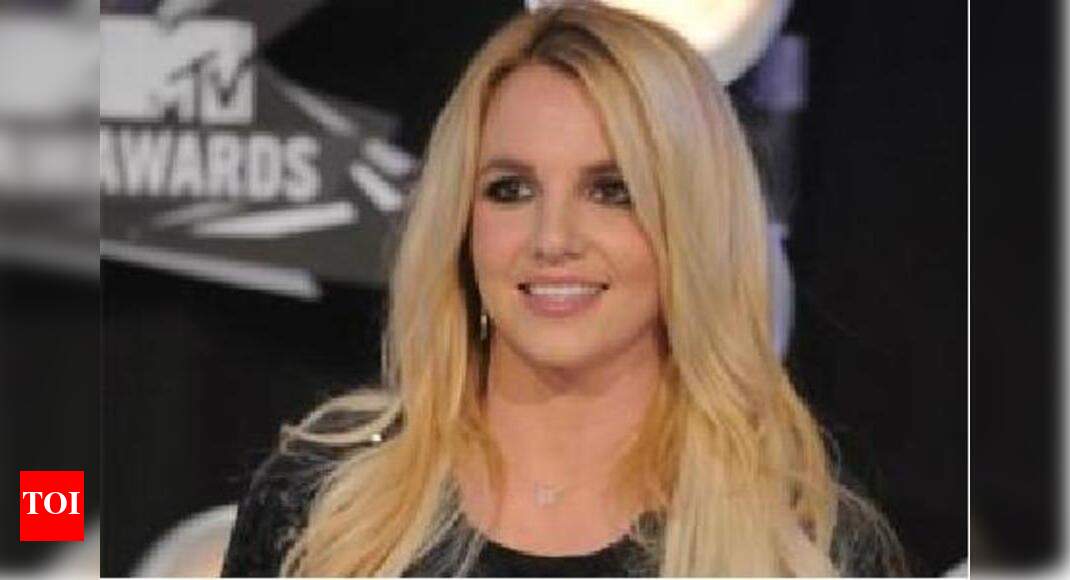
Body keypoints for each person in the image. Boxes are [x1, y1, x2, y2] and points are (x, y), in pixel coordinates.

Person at [221, 2, 905, 576]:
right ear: (461, 222)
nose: (552, 239)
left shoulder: (805, 548)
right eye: (510, 190)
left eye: (611, 190)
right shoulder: (320, 507)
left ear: (690, 223)